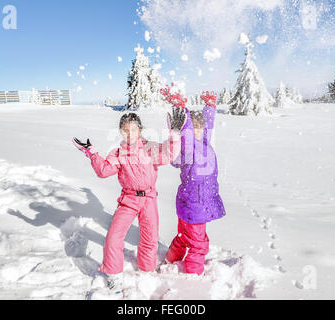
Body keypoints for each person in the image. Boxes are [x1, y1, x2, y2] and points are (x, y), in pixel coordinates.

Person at [73, 108, 185, 289]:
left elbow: (169, 154)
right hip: (128, 200)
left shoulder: (150, 148)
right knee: (114, 236)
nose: (129, 133)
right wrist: (92, 153)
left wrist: (175, 134)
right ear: (120, 131)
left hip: (149, 198)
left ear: (140, 130)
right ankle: (113, 273)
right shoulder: (118, 153)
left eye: (133, 129)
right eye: (125, 130)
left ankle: (147, 269)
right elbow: (104, 171)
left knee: (150, 237)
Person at [164, 90, 226, 276]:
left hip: (191, 203)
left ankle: (170, 261)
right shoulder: (188, 148)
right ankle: (192, 277)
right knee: (199, 244)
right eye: (194, 127)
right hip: (195, 204)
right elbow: (187, 131)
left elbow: (207, 127)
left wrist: (210, 107)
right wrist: (180, 108)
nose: (199, 130)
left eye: (200, 127)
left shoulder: (203, 143)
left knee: (183, 237)